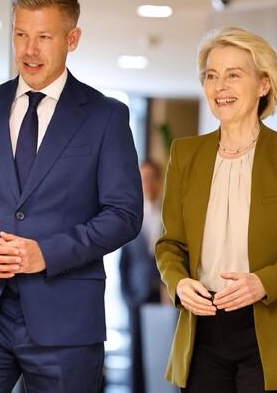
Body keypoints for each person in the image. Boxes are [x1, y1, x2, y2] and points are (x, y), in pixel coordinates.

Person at [0, 0, 143, 393]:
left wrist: (47, 253)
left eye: (44, 37)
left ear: (72, 39)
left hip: (66, 318)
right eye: (21, 35)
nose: (29, 50)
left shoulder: (105, 116)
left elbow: (124, 214)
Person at [155, 26, 277, 393]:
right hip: (203, 331)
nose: (220, 86)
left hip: (274, 335)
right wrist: (179, 283)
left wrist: (263, 282)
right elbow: (170, 244)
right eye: (211, 76)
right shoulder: (185, 155)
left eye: (234, 75)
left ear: (264, 84)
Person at [119, 160, 165, 393]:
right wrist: (128, 297)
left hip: (163, 296)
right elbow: (124, 264)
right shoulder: (130, 218)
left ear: (158, 181)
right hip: (137, 296)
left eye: (150, 178)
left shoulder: (168, 215)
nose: (146, 183)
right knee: (137, 353)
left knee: (161, 350)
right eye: (142, 178)